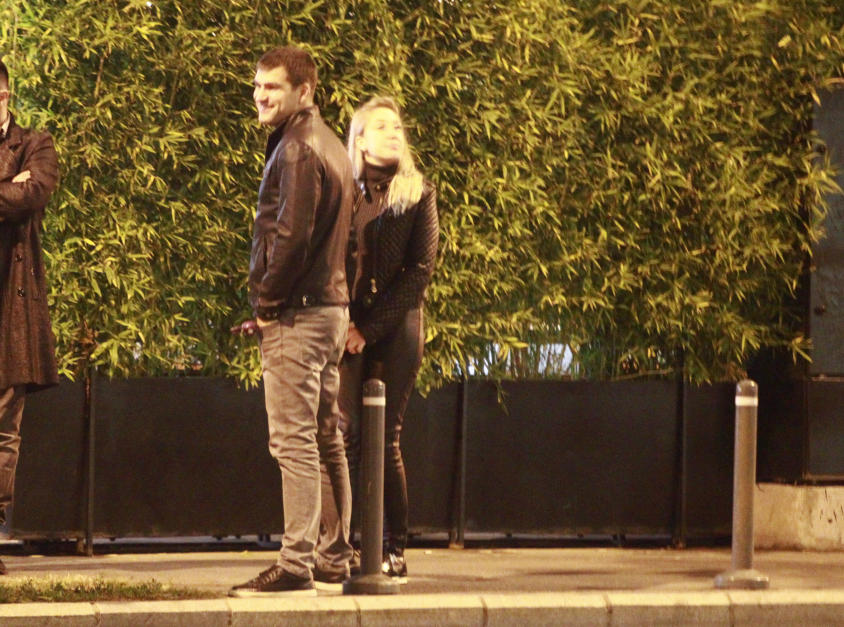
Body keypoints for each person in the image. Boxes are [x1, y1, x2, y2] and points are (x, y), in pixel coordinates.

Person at [228, 46, 355, 597]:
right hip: (329, 309)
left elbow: (290, 237)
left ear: (304, 91)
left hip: (299, 314)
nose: (260, 96)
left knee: (294, 441)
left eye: (272, 87)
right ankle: (334, 556)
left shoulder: (299, 148)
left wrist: (266, 305)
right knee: (325, 437)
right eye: (257, 86)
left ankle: (297, 562)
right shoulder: (327, 141)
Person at [340, 96, 439, 582]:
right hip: (345, 325)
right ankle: (346, 545)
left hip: (396, 328)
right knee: (348, 437)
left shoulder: (418, 193)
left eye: (398, 126)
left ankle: (393, 548)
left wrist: (368, 330)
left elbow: (419, 271)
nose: (394, 132)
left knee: (385, 439)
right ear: (359, 140)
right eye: (382, 126)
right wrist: (340, 321)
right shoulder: (342, 189)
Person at [0, 59, 60, 576]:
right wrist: (7, 186)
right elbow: (13, 195)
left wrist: (17, 189)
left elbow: (32, 194)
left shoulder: (36, 144)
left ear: (4, 97)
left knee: (3, 429)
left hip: (9, 306)